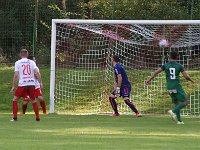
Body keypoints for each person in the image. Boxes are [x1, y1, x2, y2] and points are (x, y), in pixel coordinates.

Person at [146, 51, 194, 124]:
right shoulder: (179, 66)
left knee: (176, 103)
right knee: (185, 102)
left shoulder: (165, 65)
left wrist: (149, 79)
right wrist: (191, 80)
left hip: (169, 87)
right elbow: (186, 77)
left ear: (169, 57)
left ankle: (180, 121)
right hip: (176, 86)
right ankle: (173, 111)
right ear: (177, 57)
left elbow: (156, 72)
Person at [10, 49, 43, 121]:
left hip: (23, 83)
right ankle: (37, 117)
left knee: (15, 99)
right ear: (27, 54)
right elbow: (37, 73)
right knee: (33, 100)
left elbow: (16, 75)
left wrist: (13, 86)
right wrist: (40, 82)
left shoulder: (17, 62)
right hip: (31, 83)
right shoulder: (32, 62)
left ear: (20, 54)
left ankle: (15, 117)